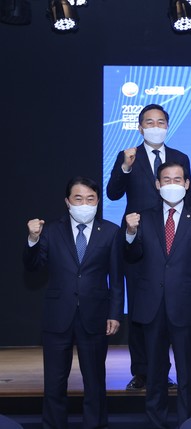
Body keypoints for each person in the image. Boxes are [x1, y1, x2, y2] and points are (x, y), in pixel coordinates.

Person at [24, 176, 124, 429]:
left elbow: (116, 278)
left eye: (90, 199)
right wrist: (33, 240)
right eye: (78, 199)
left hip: (96, 315)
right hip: (58, 316)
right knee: (54, 383)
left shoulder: (111, 231)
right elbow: (33, 266)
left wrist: (115, 313)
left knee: (95, 382)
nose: (85, 204)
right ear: (68, 202)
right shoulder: (50, 231)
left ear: (98, 202)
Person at [106, 103, 191, 390]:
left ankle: (164, 370)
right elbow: (113, 193)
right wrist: (125, 167)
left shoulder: (180, 157)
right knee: (140, 307)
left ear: (168, 125)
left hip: (171, 239)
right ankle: (142, 371)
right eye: (149, 122)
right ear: (140, 127)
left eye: (160, 122)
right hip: (138, 238)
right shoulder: (128, 156)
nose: (155, 127)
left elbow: (189, 200)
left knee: (169, 308)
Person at [124, 162, 191, 429]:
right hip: (151, 306)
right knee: (155, 373)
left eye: (177, 179)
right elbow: (132, 257)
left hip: (186, 306)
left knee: (186, 373)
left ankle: (188, 423)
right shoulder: (141, 218)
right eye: (166, 179)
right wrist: (130, 234)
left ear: (187, 184)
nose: (172, 184)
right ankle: (156, 423)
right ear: (157, 184)